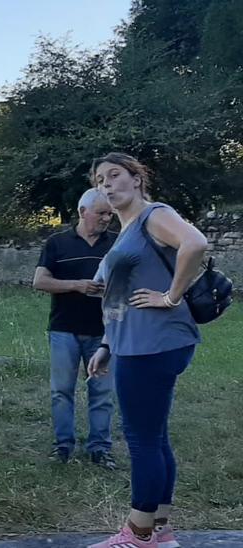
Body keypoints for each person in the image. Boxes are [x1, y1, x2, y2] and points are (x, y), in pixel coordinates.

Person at [85, 153, 206, 548]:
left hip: (154, 342)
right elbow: (118, 296)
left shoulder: (154, 214)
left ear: (137, 179)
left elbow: (195, 243)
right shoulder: (126, 230)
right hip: (133, 343)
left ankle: (136, 535)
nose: (107, 184)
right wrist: (107, 344)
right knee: (154, 437)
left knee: (140, 439)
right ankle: (160, 530)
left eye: (115, 175)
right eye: (101, 179)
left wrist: (171, 296)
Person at [32, 188, 118, 469]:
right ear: (83, 212)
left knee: (102, 393)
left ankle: (100, 449)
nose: (107, 218)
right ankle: (63, 446)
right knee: (61, 391)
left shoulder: (116, 244)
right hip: (64, 328)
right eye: (101, 212)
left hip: (105, 332)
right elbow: (40, 281)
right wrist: (77, 285)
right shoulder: (58, 243)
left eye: (110, 213)